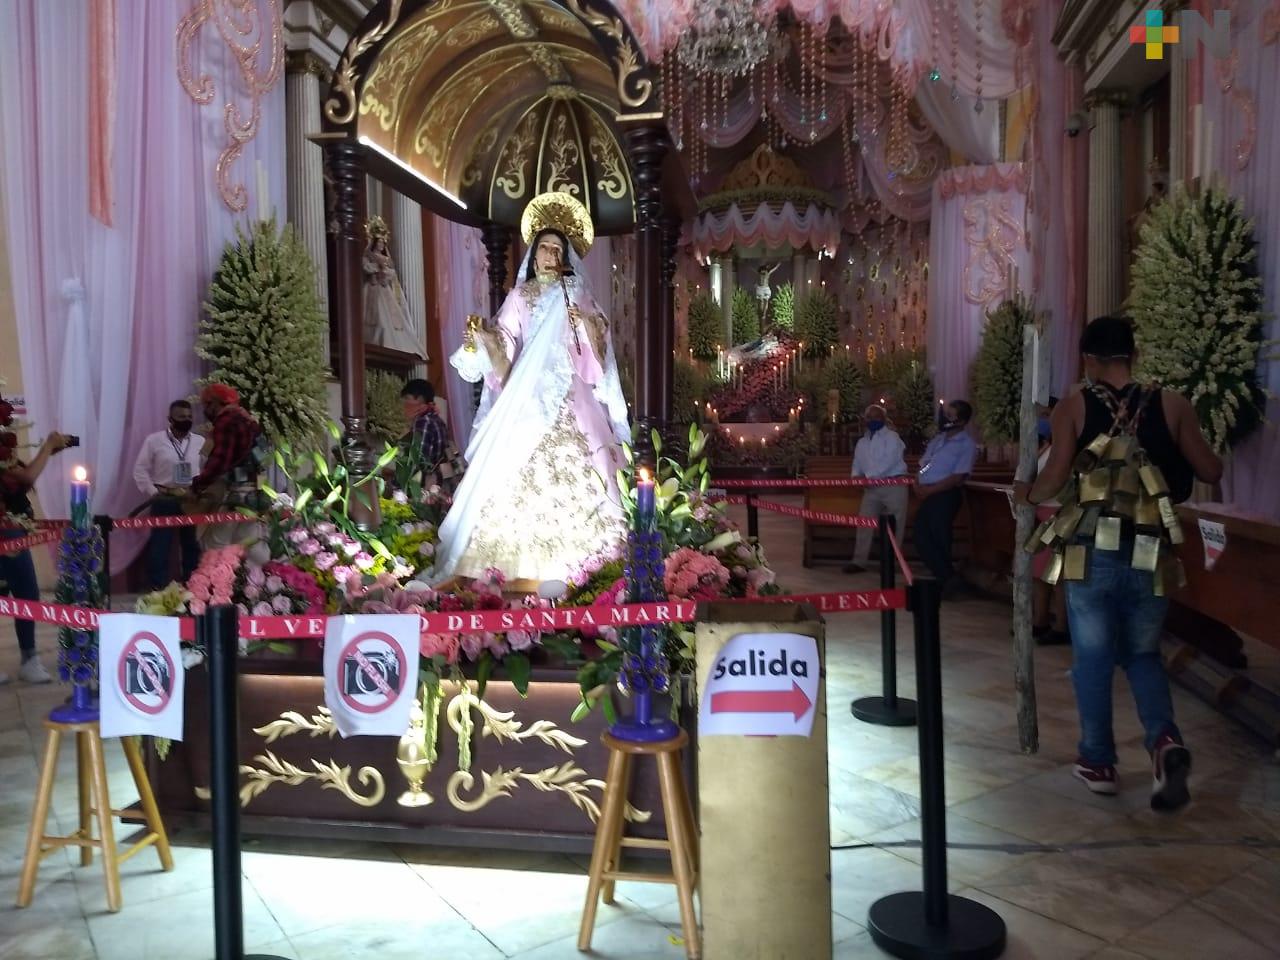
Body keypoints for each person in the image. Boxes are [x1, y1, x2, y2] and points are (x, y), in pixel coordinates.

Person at [1018, 316, 1221, 810]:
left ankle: (1099, 761)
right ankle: (1165, 742)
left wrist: (1025, 494)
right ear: (1134, 353)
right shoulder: (1172, 404)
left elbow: (1058, 472)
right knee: (1144, 655)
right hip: (1153, 550)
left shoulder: (1073, 406)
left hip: (1092, 549)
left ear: (1088, 359)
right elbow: (1211, 469)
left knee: (1093, 658)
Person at [438, 191, 628, 584]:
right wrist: (486, 338)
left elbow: (594, 350)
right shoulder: (519, 296)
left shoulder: (577, 294)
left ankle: (589, 565)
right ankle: (507, 568)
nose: (550, 255)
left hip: (572, 395)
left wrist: (588, 327)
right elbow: (506, 341)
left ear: (567, 257)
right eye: (544, 248)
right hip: (526, 396)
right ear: (534, 254)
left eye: (558, 249)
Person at [0, 428, 77, 685]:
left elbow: (19, 476)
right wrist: (47, 447)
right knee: (26, 592)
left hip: (11, 528)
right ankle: (29, 659)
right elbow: (23, 480)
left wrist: (49, 450)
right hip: (5, 532)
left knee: (24, 594)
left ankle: (29, 658)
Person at [133, 400, 203, 589]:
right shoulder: (154, 441)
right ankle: (158, 590)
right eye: (181, 417)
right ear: (170, 419)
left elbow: (207, 470)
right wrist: (153, 492)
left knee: (191, 546)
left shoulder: (199, 442)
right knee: (160, 546)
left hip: (191, 499)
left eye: (189, 417)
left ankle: (194, 589)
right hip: (164, 498)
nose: (186, 420)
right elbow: (140, 470)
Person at [913, 400, 977, 596]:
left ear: (962, 420)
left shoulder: (966, 445)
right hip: (928, 493)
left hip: (945, 494)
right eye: (945, 413)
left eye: (950, 415)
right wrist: (918, 480)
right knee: (921, 536)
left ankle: (947, 581)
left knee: (939, 536)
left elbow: (958, 477)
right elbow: (925, 464)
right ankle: (950, 579)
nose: (944, 418)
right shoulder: (938, 440)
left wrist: (930, 490)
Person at [190, 383, 262, 547]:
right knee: (244, 546)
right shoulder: (249, 421)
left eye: (206, 405)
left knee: (213, 544)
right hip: (255, 492)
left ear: (214, 403)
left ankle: (216, 573)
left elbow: (221, 460)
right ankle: (246, 573)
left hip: (233, 493)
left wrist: (198, 484)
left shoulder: (225, 421)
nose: (205, 410)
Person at [843, 404, 908, 575]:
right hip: (871, 489)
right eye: (869, 417)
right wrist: (856, 476)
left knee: (896, 525)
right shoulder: (862, 442)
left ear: (884, 419)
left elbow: (890, 461)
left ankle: (891, 562)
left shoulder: (892, 438)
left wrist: (869, 477)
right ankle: (859, 561)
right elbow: (857, 463)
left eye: (876, 417)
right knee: (864, 523)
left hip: (893, 485)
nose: (872, 420)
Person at [1031, 398, 1069, 645]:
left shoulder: (1066, 449)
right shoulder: (1048, 447)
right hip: (1043, 513)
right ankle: (1039, 619)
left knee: (1057, 575)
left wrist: (1032, 493)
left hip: (1059, 514)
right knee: (1040, 573)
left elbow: (1057, 482)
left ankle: (1061, 626)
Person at [363, 216, 424, 357]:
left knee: (390, 321)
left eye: (383, 243)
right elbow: (365, 266)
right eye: (379, 242)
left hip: (384, 289)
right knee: (376, 320)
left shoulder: (386, 259)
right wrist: (376, 269)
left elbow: (392, 272)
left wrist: (384, 272)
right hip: (373, 289)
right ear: (374, 243)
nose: (381, 245)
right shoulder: (369, 255)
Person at [398, 378, 463, 495]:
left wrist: (396, 484)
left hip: (426, 486)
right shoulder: (436, 419)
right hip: (441, 483)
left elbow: (418, 460)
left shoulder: (423, 422)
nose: (405, 405)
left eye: (408, 399)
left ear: (419, 399)